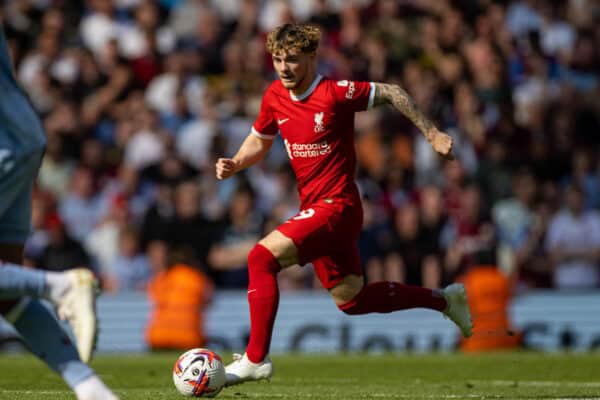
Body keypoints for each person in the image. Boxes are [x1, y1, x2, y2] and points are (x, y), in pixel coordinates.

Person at [215, 23, 473, 386]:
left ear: (310, 57)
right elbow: (260, 139)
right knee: (352, 300)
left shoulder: (335, 93)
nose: (284, 67)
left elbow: (393, 92)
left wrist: (432, 134)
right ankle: (445, 300)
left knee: (260, 258)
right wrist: (236, 163)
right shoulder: (274, 96)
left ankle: (256, 359)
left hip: (339, 206)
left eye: (291, 59)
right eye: (277, 59)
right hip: (316, 208)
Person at [0, 26, 117, 400]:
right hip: (22, 141)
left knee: (22, 286)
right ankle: (90, 388)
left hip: (6, 143)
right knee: (5, 292)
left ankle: (59, 285)